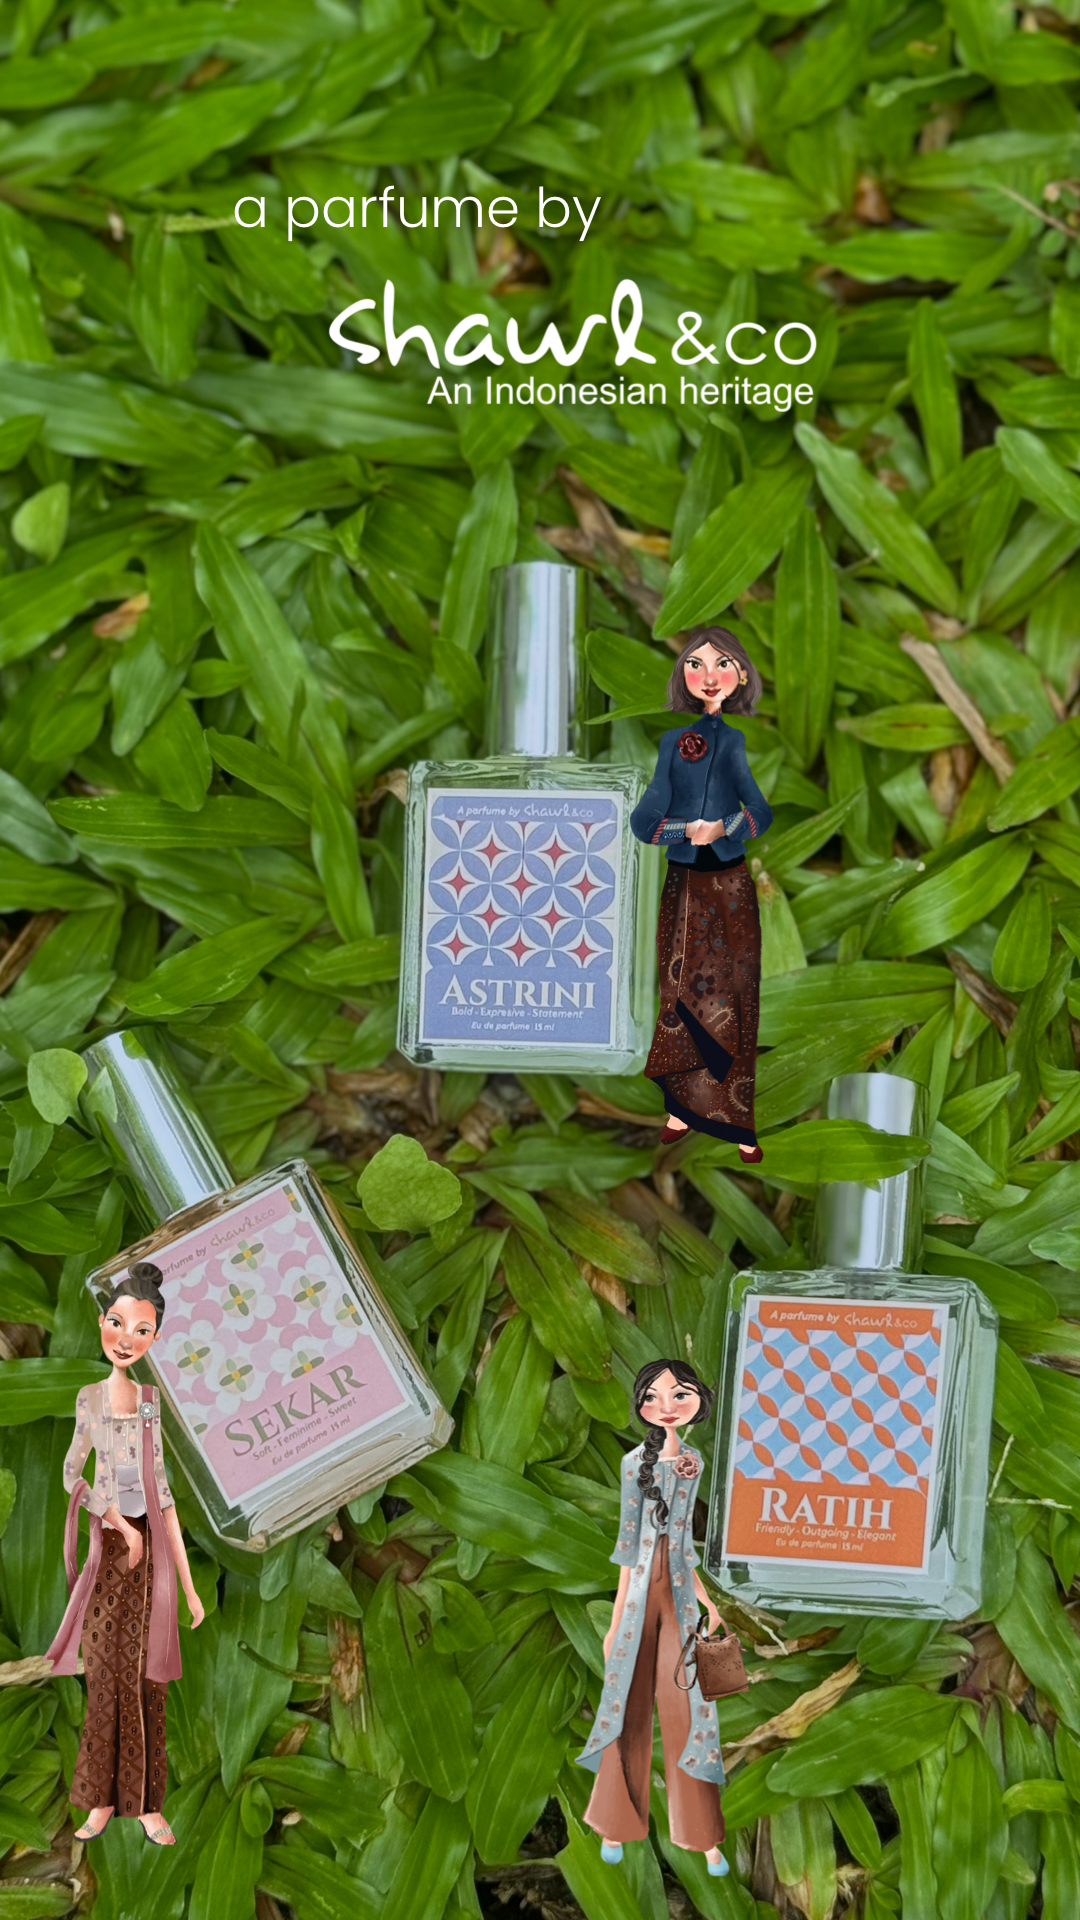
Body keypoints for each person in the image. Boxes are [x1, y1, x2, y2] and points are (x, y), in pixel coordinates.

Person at [46, 1261, 204, 1847]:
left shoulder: (149, 1402)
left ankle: (146, 1805)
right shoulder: (89, 1399)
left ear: (154, 1338)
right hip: (112, 1548)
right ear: (101, 1322)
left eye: (141, 1330)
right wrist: (118, 1524)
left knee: (149, 1677)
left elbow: (162, 1492)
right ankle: (100, 1799)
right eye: (117, 1323)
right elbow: (72, 1474)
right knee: (105, 1671)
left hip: (151, 1550)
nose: (125, 1340)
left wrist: (188, 1585)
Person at [576, 1360, 729, 1876]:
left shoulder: (694, 1461)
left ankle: (704, 1835)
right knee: (628, 1705)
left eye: (679, 1394)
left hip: (680, 1595)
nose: (666, 1406)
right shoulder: (630, 1464)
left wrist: (707, 1602)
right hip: (640, 1592)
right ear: (640, 1403)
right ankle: (614, 1823)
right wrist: (618, 1618)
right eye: (653, 1396)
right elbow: (627, 1546)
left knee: (690, 1706)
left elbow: (684, 1543)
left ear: (697, 1401)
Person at [630, 626, 772, 1161]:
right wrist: (684, 830)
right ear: (683, 676)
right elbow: (643, 822)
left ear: (741, 676)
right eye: (695, 664)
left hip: (731, 885)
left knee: (737, 997)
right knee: (679, 994)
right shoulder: (673, 744)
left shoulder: (734, 743)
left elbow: (760, 812)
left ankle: (739, 1122)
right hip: (685, 885)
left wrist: (725, 827)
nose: (709, 675)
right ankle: (680, 1107)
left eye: (722, 664)